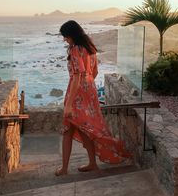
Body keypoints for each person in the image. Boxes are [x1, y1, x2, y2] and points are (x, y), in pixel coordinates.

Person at [55, 20, 131, 176]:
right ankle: (92, 163)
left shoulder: (75, 49)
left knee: (68, 130)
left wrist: (69, 104)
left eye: (65, 36)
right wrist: (87, 86)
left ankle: (64, 169)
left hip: (76, 95)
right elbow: (94, 72)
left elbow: (77, 76)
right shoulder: (90, 49)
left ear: (72, 34)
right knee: (86, 129)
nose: (64, 39)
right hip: (90, 91)